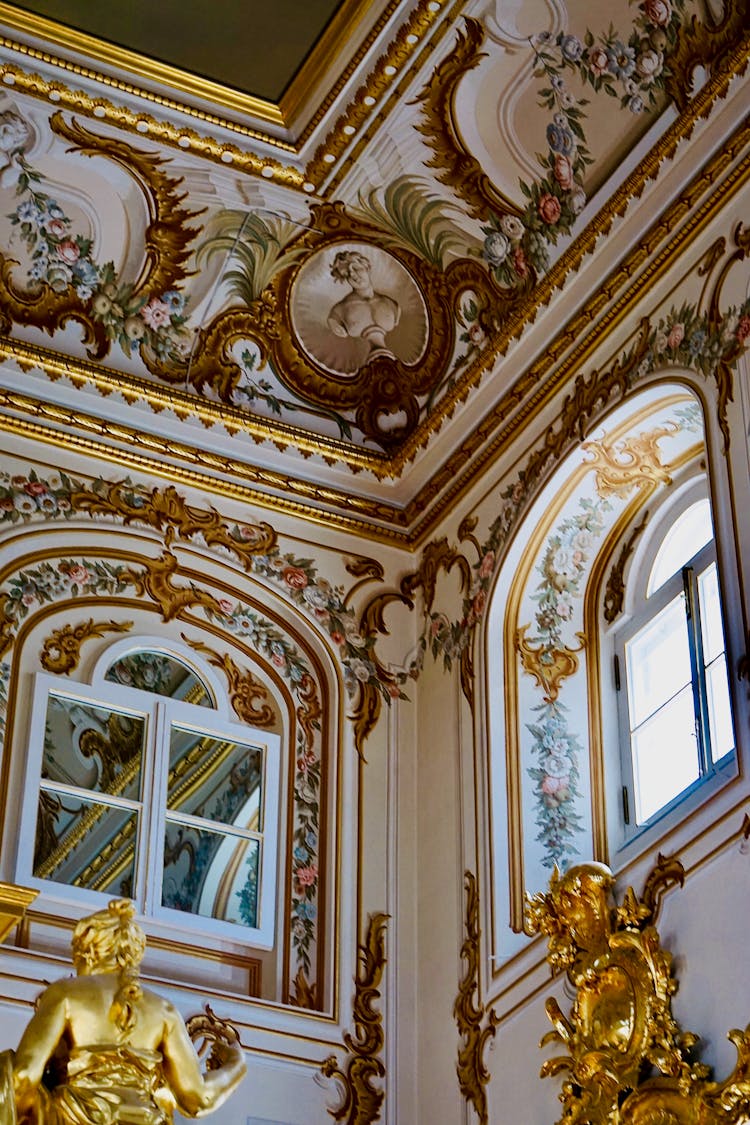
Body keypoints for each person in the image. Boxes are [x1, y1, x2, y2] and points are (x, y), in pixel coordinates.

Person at [4, 899, 246, 1125]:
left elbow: (23, 1076)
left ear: (85, 951)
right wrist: (236, 1065)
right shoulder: (163, 1010)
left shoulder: (66, 994)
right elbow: (198, 1100)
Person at [327, 250, 401, 359]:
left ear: (367, 268)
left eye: (356, 268)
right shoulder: (338, 313)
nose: (352, 275)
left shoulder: (392, 305)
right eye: (347, 274)